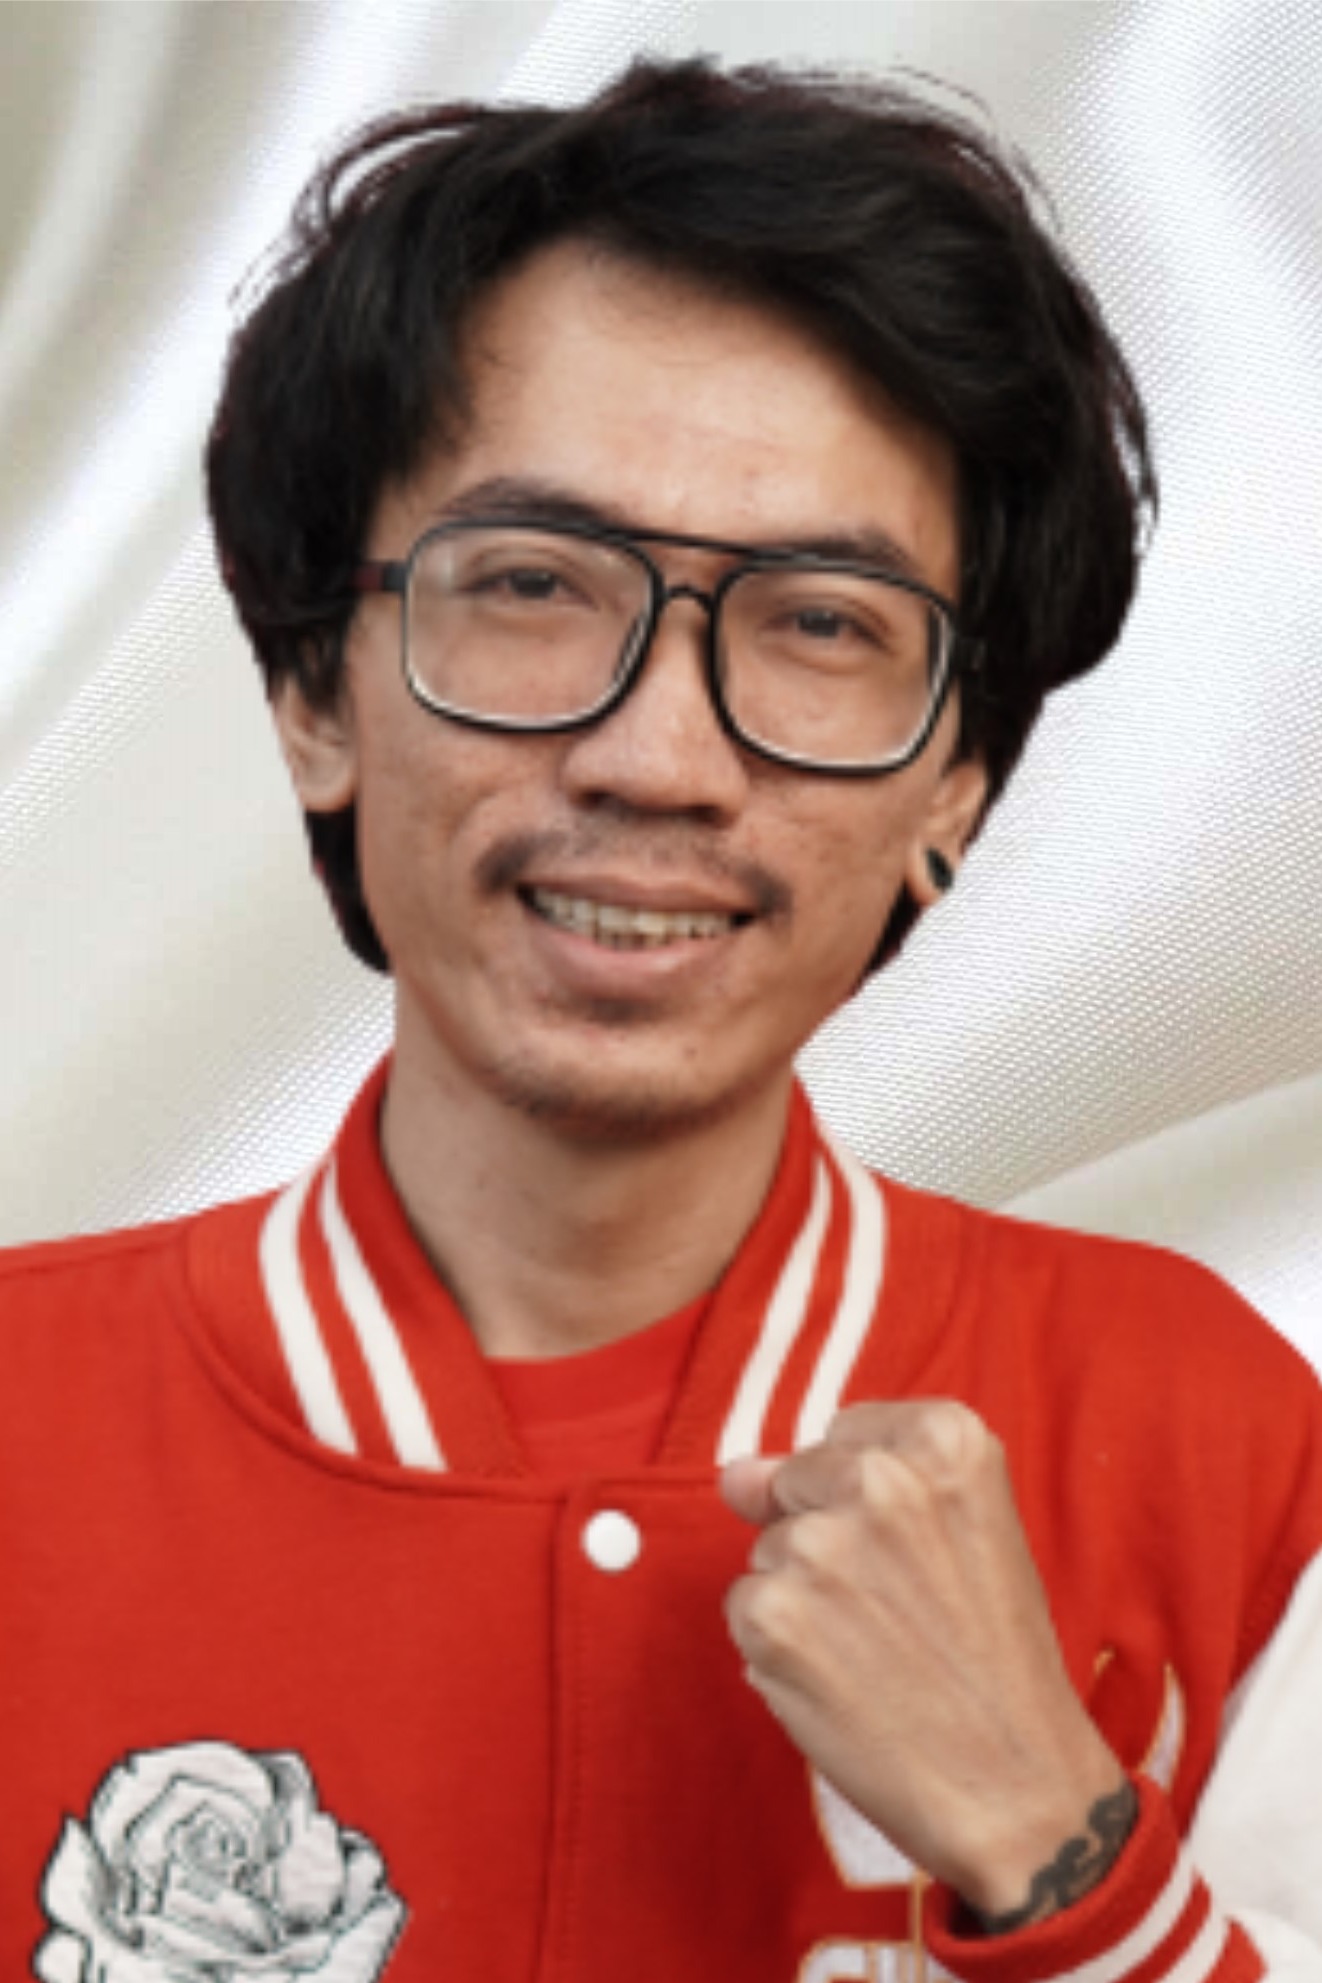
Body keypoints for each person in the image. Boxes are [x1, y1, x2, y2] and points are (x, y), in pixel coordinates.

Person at [2, 55, 1318, 1983]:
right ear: (313, 694)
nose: (657, 757)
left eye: (821, 622)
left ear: (954, 788)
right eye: (534, 584)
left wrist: (1058, 1848)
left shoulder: (1219, 1446)